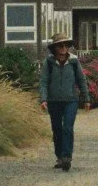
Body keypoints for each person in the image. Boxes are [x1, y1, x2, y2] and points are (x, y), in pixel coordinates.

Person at [38, 32, 91, 171]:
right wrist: (43, 99)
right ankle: (59, 157)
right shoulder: (48, 63)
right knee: (57, 130)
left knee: (67, 128)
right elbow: (43, 82)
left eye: (65, 45)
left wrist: (86, 99)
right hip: (54, 101)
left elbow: (81, 80)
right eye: (60, 45)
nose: (63, 48)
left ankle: (67, 157)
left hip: (71, 100)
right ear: (54, 47)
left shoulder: (74, 61)